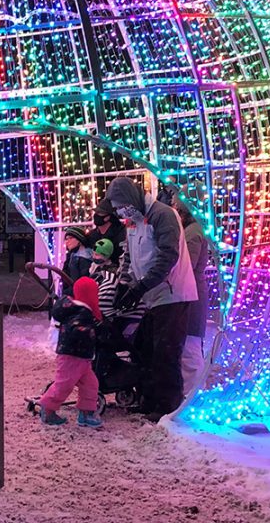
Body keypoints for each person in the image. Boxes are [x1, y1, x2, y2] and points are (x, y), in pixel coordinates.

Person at [107, 176, 197, 422]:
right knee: (143, 348)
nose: (119, 211)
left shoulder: (162, 215)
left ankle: (167, 406)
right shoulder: (134, 220)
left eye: (120, 206)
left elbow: (168, 256)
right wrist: (123, 284)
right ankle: (148, 399)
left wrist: (140, 287)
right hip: (151, 296)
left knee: (165, 351)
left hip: (172, 294)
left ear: (132, 199)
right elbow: (129, 255)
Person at [38, 276, 104, 428]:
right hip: (72, 356)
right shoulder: (83, 313)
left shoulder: (77, 310)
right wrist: (92, 332)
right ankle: (48, 408)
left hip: (81, 356)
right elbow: (75, 331)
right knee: (64, 384)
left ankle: (86, 412)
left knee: (91, 384)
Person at [179, 206, 210, 398]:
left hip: (192, 296)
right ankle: (191, 391)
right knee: (190, 345)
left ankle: (192, 395)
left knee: (190, 348)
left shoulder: (193, 232)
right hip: (192, 294)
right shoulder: (195, 229)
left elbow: (187, 265)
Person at [85, 199, 126, 265]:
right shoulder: (93, 235)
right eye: (96, 212)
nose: (96, 215)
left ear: (108, 216)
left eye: (100, 213)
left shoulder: (120, 233)